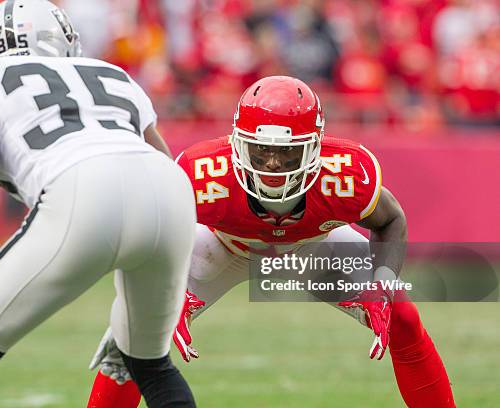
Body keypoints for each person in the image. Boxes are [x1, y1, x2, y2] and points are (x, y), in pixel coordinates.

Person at [86, 76, 456, 407]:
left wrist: (382, 283)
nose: (273, 163)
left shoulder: (344, 173)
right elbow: (156, 229)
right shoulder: (204, 174)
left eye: (287, 150)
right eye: (260, 149)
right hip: (222, 247)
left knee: (402, 316)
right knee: (131, 332)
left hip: (313, 247)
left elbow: (390, 218)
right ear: (237, 142)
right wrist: (167, 291)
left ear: (315, 147)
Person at [0, 1, 197, 407]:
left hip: (81, 189)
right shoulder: (112, 73)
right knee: (150, 363)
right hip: (173, 193)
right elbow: (162, 171)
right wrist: (141, 312)